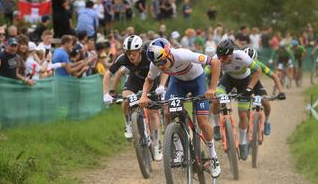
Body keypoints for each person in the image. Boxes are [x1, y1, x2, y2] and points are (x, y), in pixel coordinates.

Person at [138, 38, 222, 178]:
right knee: (167, 111)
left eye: (163, 62)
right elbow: (149, 80)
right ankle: (179, 149)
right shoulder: (156, 64)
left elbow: (215, 62)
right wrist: (144, 96)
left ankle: (213, 156)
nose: (162, 67)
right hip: (178, 83)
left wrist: (212, 88)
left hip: (197, 81)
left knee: (202, 120)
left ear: (169, 54)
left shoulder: (183, 54)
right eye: (158, 64)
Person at [103, 35, 165, 161]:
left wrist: (162, 86)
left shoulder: (149, 56)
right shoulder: (123, 59)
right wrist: (107, 93)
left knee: (153, 113)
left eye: (133, 53)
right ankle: (128, 123)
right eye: (128, 53)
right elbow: (108, 74)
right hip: (135, 81)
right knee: (126, 99)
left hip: (152, 81)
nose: (131, 56)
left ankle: (156, 143)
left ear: (140, 50)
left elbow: (164, 68)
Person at [211, 38, 261, 161]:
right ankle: (217, 125)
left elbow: (258, 70)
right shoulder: (216, 58)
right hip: (228, 80)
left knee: (243, 114)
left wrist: (250, 88)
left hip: (244, 82)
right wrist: (209, 89)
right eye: (219, 57)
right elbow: (205, 72)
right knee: (216, 99)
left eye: (224, 58)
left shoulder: (242, 56)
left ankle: (243, 142)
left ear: (232, 54)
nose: (221, 60)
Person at [243, 46, 286, 135]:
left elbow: (274, 76)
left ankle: (266, 122)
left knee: (266, 102)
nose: (250, 65)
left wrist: (281, 92)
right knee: (245, 107)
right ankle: (247, 126)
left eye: (252, 62)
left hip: (256, 84)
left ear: (256, 60)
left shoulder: (260, 65)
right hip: (243, 84)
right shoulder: (239, 64)